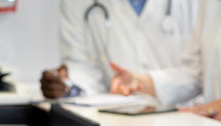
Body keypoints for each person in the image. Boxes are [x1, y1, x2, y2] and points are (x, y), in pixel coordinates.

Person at [41, 0, 199, 99]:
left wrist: (147, 82)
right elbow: (81, 64)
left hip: (180, 115)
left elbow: (198, 72)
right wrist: (66, 84)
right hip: (115, 120)